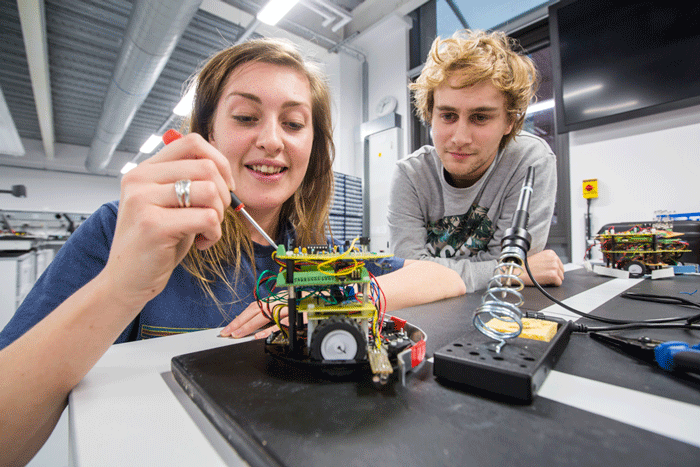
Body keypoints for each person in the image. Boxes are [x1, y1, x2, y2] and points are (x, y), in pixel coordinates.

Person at [0, 38, 466, 465]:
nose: (271, 139)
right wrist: (122, 286)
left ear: (313, 148)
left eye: (294, 123)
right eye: (246, 117)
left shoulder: (313, 252)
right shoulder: (120, 231)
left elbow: (446, 278)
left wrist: (343, 296)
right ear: (205, 135)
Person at [387, 29, 565, 293]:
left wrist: (431, 274)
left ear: (510, 122)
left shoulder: (529, 162)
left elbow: (513, 261)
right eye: (448, 115)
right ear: (430, 115)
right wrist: (507, 271)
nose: (460, 138)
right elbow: (409, 272)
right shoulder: (410, 175)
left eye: (480, 117)